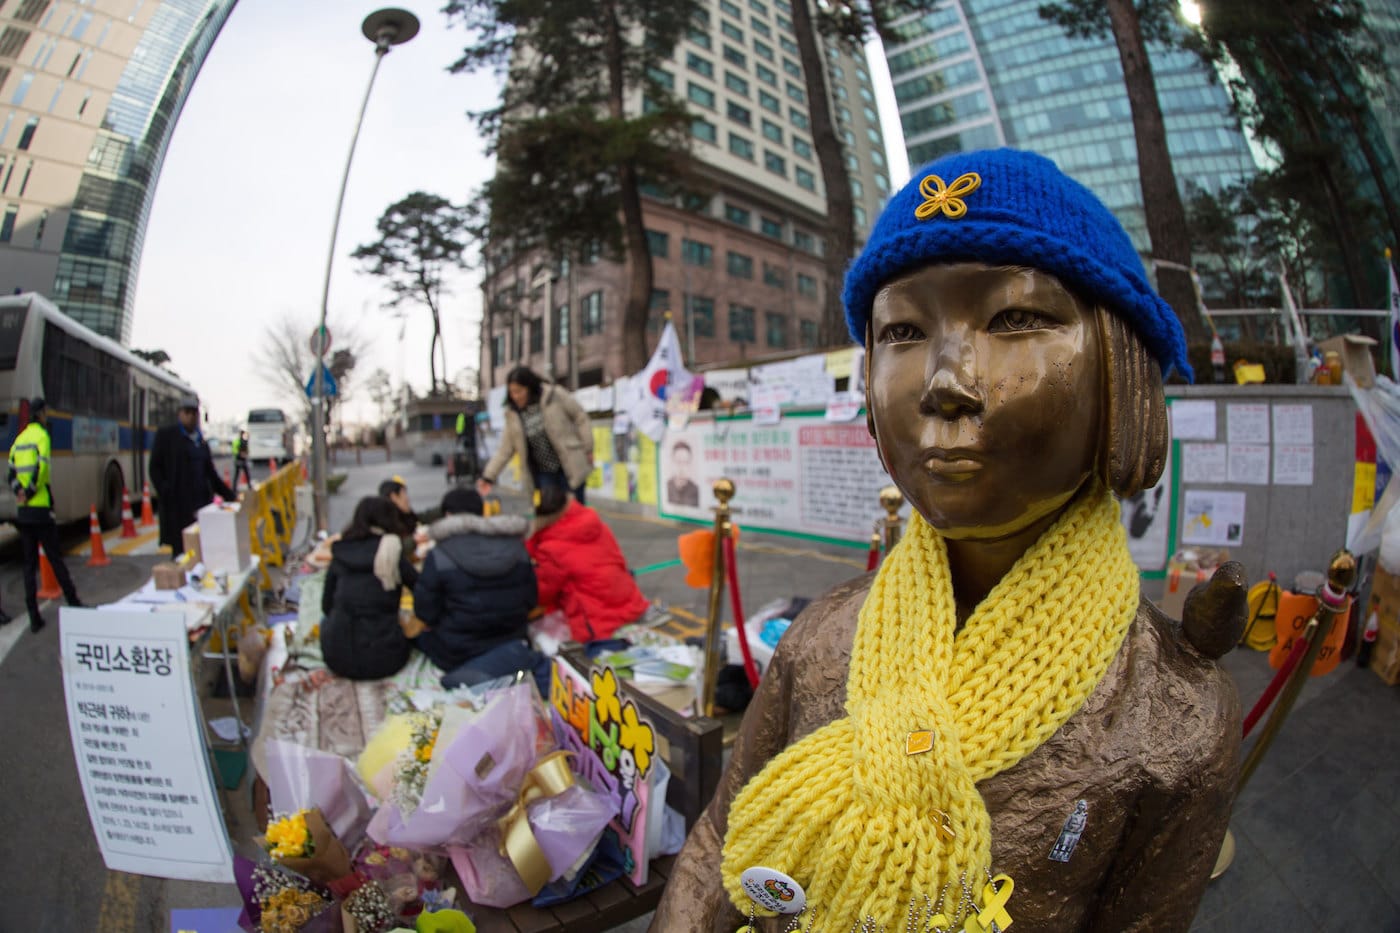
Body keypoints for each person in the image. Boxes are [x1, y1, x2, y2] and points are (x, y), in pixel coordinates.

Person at [654, 149, 1244, 932]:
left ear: (1120, 366)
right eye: (902, 329)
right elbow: (720, 843)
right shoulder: (823, 635)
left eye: (1014, 318)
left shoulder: (1174, 714)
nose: (945, 379)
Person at [411, 487, 540, 689]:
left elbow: (425, 611)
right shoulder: (516, 546)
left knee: (418, 638)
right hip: (511, 641)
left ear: (448, 516)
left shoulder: (440, 554)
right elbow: (531, 599)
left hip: (457, 652)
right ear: (481, 513)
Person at [527, 486, 650, 642]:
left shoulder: (551, 549)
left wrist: (532, 541)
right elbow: (619, 560)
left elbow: (542, 593)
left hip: (599, 623)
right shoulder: (595, 524)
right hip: (631, 604)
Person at [320, 497, 417, 680]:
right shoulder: (391, 551)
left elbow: (326, 606)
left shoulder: (341, 552)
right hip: (385, 659)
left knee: (328, 621)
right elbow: (422, 590)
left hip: (337, 658)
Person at [6, 398, 83, 631]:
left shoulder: (19, 440)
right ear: (40, 414)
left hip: (24, 512)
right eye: (45, 412)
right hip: (40, 508)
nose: (47, 415)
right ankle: (74, 603)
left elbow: (10, 472)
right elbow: (42, 469)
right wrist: (30, 492)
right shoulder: (42, 436)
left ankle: (34, 616)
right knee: (54, 558)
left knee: (29, 564)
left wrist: (19, 492)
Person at [477, 366, 593, 505]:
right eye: (512, 392)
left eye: (519, 391)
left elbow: (581, 417)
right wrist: (488, 477)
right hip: (543, 474)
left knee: (576, 513)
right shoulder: (513, 415)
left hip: (570, 466)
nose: (516, 396)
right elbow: (504, 450)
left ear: (530, 387)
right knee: (550, 516)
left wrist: (588, 447)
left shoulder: (554, 395)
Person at [149, 395, 236, 553]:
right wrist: (165, 490)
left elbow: (211, 473)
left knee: (203, 549)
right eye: (187, 412)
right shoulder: (167, 435)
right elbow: (154, 468)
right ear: (180, 414)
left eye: (194, 413)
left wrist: (231, 496)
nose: (191, 416)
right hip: (178, 507)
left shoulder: (200, 441)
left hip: (201, 505)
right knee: (181, 553)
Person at [665, 441, 700, 507]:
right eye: (678, 462)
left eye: (685, 462)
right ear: (672, 462)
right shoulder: (667, 487)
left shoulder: (695, 491)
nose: (681, 469)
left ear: (690, 464)